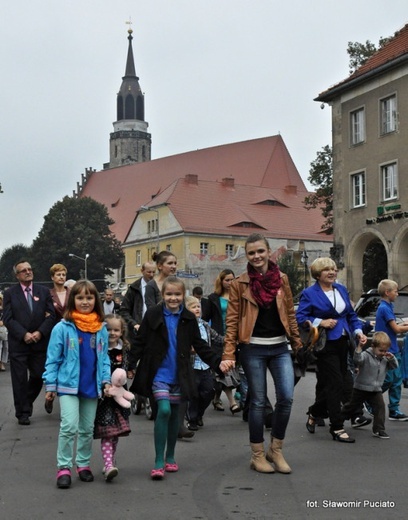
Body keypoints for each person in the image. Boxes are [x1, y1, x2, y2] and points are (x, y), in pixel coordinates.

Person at [129, 276, 231, 480]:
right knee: (164, 410)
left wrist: (217, 362)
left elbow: (200, 344)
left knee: (175, 415)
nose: (173, 298)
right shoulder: (154, 314)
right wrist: (130, 365)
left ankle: (171, 456)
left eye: (177, 294)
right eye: (169, 294)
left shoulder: (188, 317)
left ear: (183, 296)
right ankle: (159, 460)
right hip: (158, 371)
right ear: (163, 295)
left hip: (180, 372)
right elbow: (140, 341)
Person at [223, 233, 301, 474]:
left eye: (260, 251)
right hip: (252, 348)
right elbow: (233, 321)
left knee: (286, 398)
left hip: (279, 347)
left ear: (269, 252)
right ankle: (257, 454)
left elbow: (289, 313)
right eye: (251, 253)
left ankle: (275, 450)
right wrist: (228, 354)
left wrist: (297, 343)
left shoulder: (282, 280)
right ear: (247, 256)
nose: (256, 256)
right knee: (257, 402)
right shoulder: (240, 283)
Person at [43, 280, 111, 489]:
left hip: (91, 386)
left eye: (89, 297)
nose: (84, 302)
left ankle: (83, 464)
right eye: (80, 297)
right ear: (73, 300)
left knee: (87, 429)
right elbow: (52, 359)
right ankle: (64, 467)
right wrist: (50, 386)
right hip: (67, 386)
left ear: (95, 300)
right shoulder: (62, 328)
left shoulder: (101, 328)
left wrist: (106, 381)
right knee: (69, 426)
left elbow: (105, 358)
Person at [296, 257, 367, 443]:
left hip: (344, 341)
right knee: (335, 383)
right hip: (324, 343)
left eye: (334, 269)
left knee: (340, 382)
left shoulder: (341, 289)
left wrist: (358, 331)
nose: (332, 272)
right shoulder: (309, 293)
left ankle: (315, 412)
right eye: (327, 269)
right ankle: (337, 427)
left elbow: (351, 315)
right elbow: (300, 317)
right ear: (318, 274)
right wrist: (321, 322)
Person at [2, 260, 55, 425]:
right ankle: (22, 413)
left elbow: (51, 315)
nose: (28, 272)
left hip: (39, 343)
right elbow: (8, 318)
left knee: (39, 376)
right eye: (23, 270)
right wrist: (23, 334)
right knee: (19, 380)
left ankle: (27, 401)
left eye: (29, 269)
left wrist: (40, 332)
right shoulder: (10, 293)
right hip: (19, 343)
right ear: (17, 275)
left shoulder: (44, 291)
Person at [94, 314, 132, 482]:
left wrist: (128, 373)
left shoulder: (124, 348)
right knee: (107, 432)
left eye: (116, 330)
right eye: (108, 329)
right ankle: (109, 464)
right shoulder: (99, 347)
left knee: (116, 432)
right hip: (104, 397)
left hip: (120, 395)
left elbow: (126, 368)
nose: (112, 333)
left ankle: (110, 460)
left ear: (122, 331)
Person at [342, 332, 397, 439]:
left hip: (376, 389)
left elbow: (394, 366)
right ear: (373, 347)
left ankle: (379, 429)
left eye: (385, 351)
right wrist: (359, 347)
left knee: (380, 408)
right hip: (361, 388)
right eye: (381, 350)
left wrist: (392, 358)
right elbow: (357, 360)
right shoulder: (366, 355)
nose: (383, 353)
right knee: (351, 406)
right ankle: (337, 420)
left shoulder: (385, 358)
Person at [202, 269, 240, 413]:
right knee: (225, 370)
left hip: (235, 338)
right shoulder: (213, 298)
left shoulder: (238, 297)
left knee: (228, 371)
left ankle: (216, 398)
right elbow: (205, 319)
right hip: (218, 338)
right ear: (221, 281)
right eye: (227, 280)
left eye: (232, 279)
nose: (230, 283)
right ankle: (232, 402)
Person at [185, 296, 224, 430]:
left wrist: (231, 340)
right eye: (193, 307)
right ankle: (192, 419)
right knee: (194, 393)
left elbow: (217, 338)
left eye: (198, 306)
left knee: (208, 391)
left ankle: (199, 414)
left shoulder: (205, 325)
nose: (197, 309)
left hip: (205, 365)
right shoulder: (185, 325)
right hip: (192, 365)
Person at [375, 279, 408, 421]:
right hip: (387, 350)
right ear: (387, 293)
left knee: (396, 380)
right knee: (388, 380)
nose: (397, 294)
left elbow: (394, 325)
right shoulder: (384, 308)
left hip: (393, 348)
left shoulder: (388, 306)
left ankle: (394, 409)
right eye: (395, 291)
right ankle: (370, 400)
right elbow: (396, 328)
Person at [119, 261, 156, 336]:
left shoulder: (159, 287)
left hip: (154, 330)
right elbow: (124, 310)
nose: (151, 275)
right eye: (149, 272)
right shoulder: (134, 288)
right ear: (142, 271)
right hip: (137, 331)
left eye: (154, 272)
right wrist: (134, 324)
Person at [0, 294, 9, 372]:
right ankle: (0, 363)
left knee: (6, 347)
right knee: (0, 346)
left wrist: (4, 322)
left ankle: (3, 362)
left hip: (5, 329)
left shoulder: (5, 308)